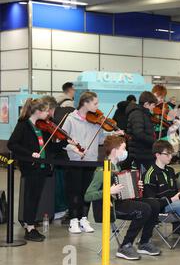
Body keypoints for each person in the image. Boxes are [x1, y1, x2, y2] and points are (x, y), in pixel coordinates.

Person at [84, 135, 161, 260]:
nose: (126, 152)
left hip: (122, 202)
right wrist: (108, 191)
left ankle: (144, 242)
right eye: (123, 148)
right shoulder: (102, 170)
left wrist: (136, 186)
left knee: (154, 204)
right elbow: (88, 196)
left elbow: (123, 190)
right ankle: (126, 245)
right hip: (111, 206)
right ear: (114, 151)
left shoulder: (117, 168)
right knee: (144, 208)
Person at [63, 91, 124, 234]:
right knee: (75, 191)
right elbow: (63, 138)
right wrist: (74, 149)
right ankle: (73, 220)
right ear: (85, 103)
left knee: (88, 191)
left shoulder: (95, 120)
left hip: (91, 160)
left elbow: (101, 139)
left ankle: (83, 218)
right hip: (75, 160)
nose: (97, 107)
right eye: (95, 103)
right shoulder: (70, 119)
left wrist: (113, 135)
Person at [7, 98, 67, 241]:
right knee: (31, 198)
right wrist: (30, 154)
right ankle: (29, 228)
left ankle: (31, 225)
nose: (48, 114)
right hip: (30, 167)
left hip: (42, 168)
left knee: (35, 198)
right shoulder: (23, 125)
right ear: (38, 111)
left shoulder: (42, 127)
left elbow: (49, 148)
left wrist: (62, 142)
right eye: (46, 111)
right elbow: (12, 144)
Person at [125, 91, 157, 170]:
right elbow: (138, 134)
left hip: (144, 153)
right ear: (146, 104)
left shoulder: (143, 114)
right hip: (140, 154)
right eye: (152, 105)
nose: (153, 108)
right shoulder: (137, 114)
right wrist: (154, 141)